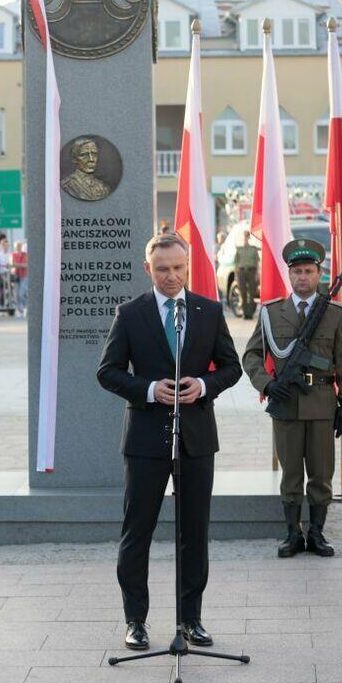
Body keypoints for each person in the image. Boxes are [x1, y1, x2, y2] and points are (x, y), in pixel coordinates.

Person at [96, 233, 242, 652]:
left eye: (178, 268)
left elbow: (231, 367)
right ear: (148, 269)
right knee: (137, 531)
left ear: (188, 265)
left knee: (194, 531)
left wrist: (204, 384)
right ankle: (135, 620)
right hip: (145, 439)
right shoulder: (130, 314)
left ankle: (190, 619)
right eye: (162, 269)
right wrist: (147, 389)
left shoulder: (208, 311)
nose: (172, 276)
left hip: (196, 438)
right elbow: (107, 371)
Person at [241, 240, 342, 558]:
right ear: (289, 275)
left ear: (319, 274)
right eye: (297, 272)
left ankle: (316, 533)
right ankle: (293, 534)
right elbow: (251, 355)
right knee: (291, 474)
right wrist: (267, 384)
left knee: (321, 474)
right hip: (286, 404)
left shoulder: (334, 313)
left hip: (321, 404)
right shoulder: (271, 313)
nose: (303, 277)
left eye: (308, 271)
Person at [234, 232, 259, 319]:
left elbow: (257, 262)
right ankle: (245, 312)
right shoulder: (239, 249)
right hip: (241, 272)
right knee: (242, 292)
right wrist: (236, 275)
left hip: (251, 271)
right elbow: (236, 263)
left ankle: (250, 313)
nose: (245, 239)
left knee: (252, 293)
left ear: (249, 238)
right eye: (244, 237)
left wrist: (257, 274)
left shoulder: (253, 249)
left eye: (247, 237)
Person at [12, 241, 29, 314]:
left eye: (19, 246)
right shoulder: (13, 254)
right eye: (17, 246)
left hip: (24, 275)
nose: (18, 248)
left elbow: (26, 264)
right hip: (16, 276)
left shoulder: (25, 254)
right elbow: (13, 264)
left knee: (21, 292)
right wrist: (21, 265)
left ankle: (25, 306)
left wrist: (18, 265)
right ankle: (19, 309)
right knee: (16, 293)